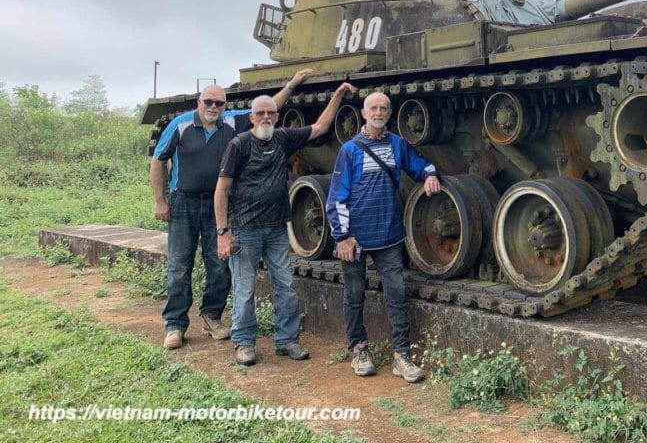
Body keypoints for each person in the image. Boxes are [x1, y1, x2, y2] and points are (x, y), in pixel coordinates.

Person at [151, 69, 312, 350]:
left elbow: (266, 110)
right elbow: (158, 160)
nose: (213, 107)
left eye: (219, 103)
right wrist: (160, 200)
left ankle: (211, 317)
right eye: (208, 102)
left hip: (219, 205)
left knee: (219, 264)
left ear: (225, 106)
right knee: (179, 264)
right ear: (199, 103)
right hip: (185, 202)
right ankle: (175, 324)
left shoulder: (231, 121)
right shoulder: (180, 124)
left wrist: (292, 84)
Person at [215, 83, 356, 366]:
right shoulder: (239, 145)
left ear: (277, 116)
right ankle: (244, 342)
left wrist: (337, 96)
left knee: (286, 286)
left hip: (277, 228)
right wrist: (223, 232)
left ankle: (287, 340)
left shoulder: (281, 138)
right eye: (260, 113)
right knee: (244, 288)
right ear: (252, 118)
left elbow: (319, 128)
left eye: (271, 113)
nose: (266, 117)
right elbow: (222, 189)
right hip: (245, 229)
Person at [326, 90, 441, 383]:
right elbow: (336, 197)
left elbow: (420, 165)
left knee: (397, 293)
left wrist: (430, 175)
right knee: (354, 295)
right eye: (373, 108)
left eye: (383, 109)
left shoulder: (397, 144)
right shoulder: (350, 150)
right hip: (355, 238)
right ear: (363, 114)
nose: (378, 113)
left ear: (389, 114)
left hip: (389, 234)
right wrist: (342, 236)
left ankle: (401, 355)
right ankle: (358, 349)